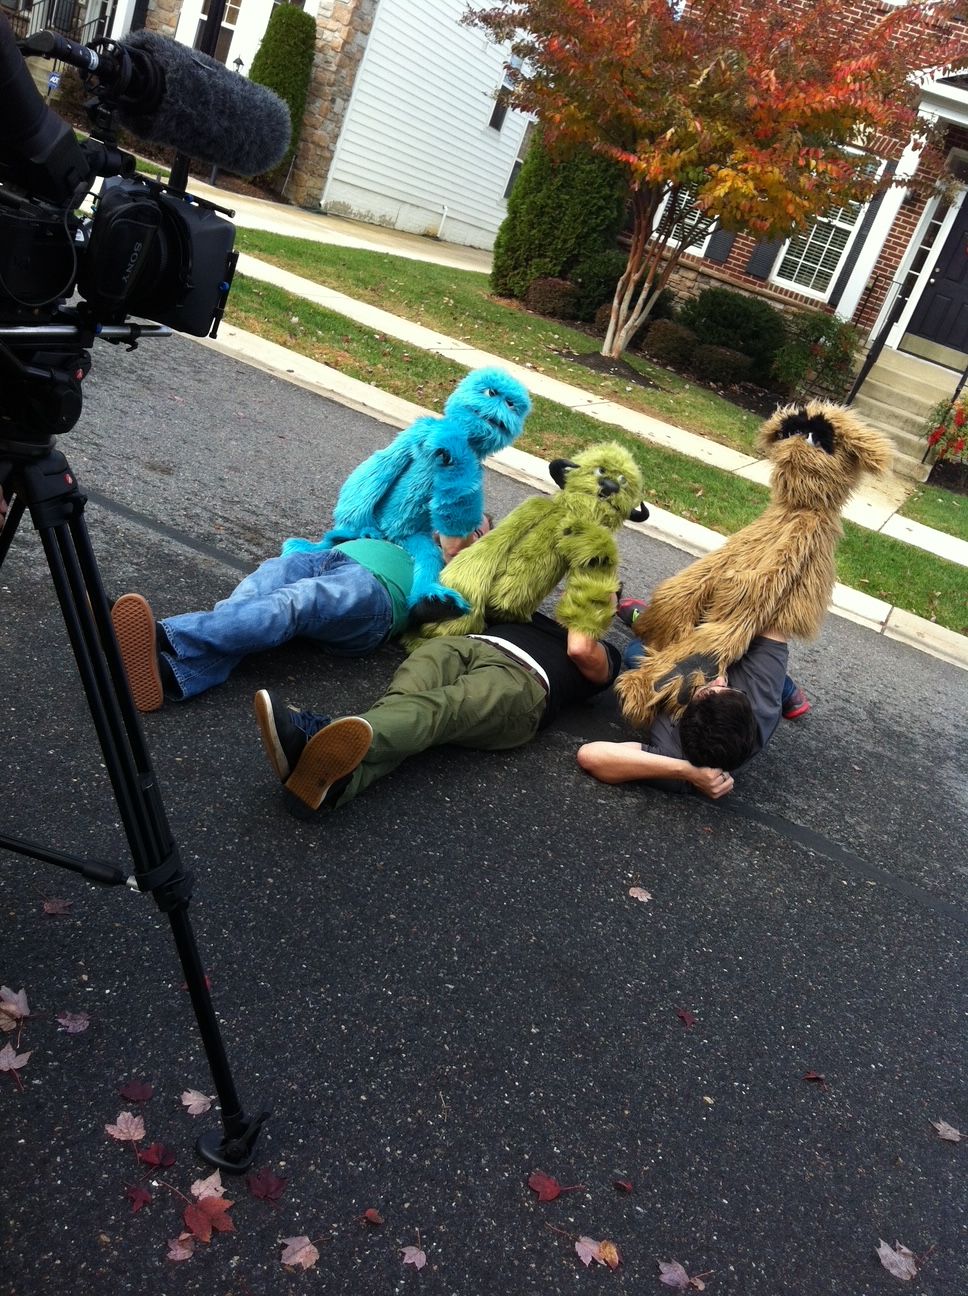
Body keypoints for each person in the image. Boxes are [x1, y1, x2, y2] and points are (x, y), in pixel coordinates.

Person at [253, 610, 623, 812]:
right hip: (464, 646)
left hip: (522, 680)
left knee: (439, 709)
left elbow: (579, 649)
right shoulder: (524, 608)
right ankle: (334, 785)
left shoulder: (607, 653)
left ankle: (315, 735)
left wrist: (595, 596)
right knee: (404, 700)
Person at [110, 520, 491, 713]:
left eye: (478, 531)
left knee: (294, 602)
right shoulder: (408, 529)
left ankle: (160, 634)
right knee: (258, 590)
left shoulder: (459, 574)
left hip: (377, 594)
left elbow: (474, 605)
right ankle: (173, 673)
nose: (465, 532)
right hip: (324, 558)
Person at [576, 599, 808, 800]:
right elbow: (776, 614)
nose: (720, 680)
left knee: (635, 652)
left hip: (685, 666)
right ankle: (785, 687)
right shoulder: (761, 702)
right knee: (767, 661)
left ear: (686, 708)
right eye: (730, 688)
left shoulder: (681, 760)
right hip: (731, 648)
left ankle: (651, 622)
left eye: (712, 689)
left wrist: (686, 771)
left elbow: (591, 756)